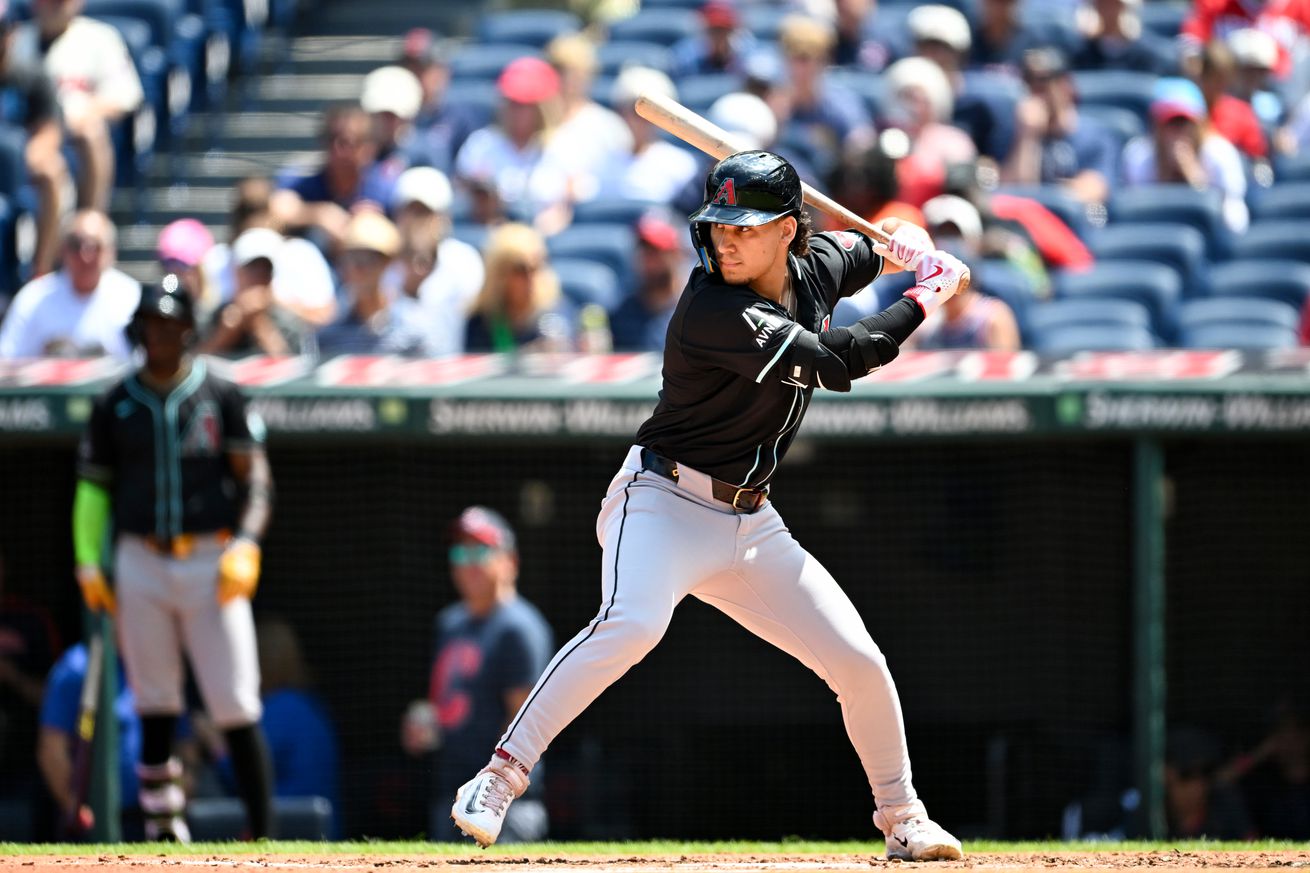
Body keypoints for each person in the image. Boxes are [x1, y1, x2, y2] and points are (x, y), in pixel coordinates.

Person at [449, 150, 969, 861]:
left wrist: (901, 240)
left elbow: (865, 248)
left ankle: (904, 817)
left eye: (745, 228)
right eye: (719, 225)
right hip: (661, 499)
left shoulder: (816, 263)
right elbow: (837, 360)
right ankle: (500, 775)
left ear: (789, 231)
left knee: (858, 660)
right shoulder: (713, 308)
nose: (725, 240)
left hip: (750, 522)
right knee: (632, 623)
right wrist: (923, 298)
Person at [72, 275, 276, 841]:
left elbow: (255, 478)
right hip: (140, 559)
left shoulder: (221, 393)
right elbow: (93, 490)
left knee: (235, 702)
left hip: (212, 559)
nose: (157, 335)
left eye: (168, 324)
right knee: (155, 702)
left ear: (188, 329)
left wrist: (248, 543)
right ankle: (164, 831)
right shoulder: (115, 402)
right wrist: (89, 561)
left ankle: (264, 837)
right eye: (148, 325)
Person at [402, 507, 553, 842]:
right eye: (459, 552)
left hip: (503, 806)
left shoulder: (520, 628)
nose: (466, 562)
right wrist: (427, 721)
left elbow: (525, 723)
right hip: (450, 797)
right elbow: (446, 703)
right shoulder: (449, 623)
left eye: (480, 550)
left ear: (509, 561)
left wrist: (491, 784)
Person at [18, 0, 143, 212]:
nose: (53, 5)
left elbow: (126, 96)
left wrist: (81, 112)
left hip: (73, 134)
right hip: (26, 132)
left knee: (91, 132)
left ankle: (89, 221)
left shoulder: (100, 37)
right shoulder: (16, 39)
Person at [0, 210, 140, 359]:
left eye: (95, 246)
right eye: (76, 245)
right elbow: (7, 359)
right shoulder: (33, 298)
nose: (85, 256)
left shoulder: (131, 297)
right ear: (62, 249)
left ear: (111, 252)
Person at [204, 176, 338, 329]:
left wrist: (273, 302)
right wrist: (238, 315)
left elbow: (325, 316)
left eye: (260, 210)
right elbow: (204, 324)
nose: (253, 219)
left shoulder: (301, 254)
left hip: (294, 350)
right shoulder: (217, 259)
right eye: (246, 211)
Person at [1120, 76, 1249, 233]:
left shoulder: (1220, 155)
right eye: (1171, 123)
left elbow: (1236, 225)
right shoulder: (1138, 157)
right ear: (1156, 127)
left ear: (1200, 125)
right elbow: (1137, 220)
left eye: (1185, 123)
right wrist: (1163, 176)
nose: (1179, 132)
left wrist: (1196, 181)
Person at [382, 166, 485, 356]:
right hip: (391, 377)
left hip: (448, 375)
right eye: (409, 211)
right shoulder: (381, 259)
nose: (415, 221)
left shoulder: (463, 261)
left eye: (423, 212)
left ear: (443, 217)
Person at [0, 1, 70, 277]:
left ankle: (42, 265)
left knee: (52, 171)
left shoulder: (33, 75)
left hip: (20, 168)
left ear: (12, 32)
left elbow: (49, 133)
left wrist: (19, 157)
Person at [254, 617, 341, 838]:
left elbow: (241, 774)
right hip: (327, 829)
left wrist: (215, 745)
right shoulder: (311, 704)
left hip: (290, 825)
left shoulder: (281, 707)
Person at [1001, 47, 1117, 206]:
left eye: (1043, 83)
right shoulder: (1014, 132)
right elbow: (1013, 196)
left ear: (1066, 85)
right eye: (1029, 83)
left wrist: (1048, 195)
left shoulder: (1094, 136)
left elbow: (1093, 191)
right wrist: (1027, 138)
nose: (1036, 93)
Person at [905, 195, 1021, 350]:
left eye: (955, 235)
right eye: (940, 235)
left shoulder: (993, 318)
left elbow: (1005, 369)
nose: (947, 245)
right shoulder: (926, 324)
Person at [316, 211, 434, 357]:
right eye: (348, 259)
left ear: (386, 263)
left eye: (365, 260)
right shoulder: (330, 335)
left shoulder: (412, 328)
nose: (355, 269)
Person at [198, 228, 313, 358]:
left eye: (265, 270)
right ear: (237, 272)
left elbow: (293, 368)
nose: (259, 277)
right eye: (252, 269)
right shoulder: (216, 314)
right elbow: (198, 362)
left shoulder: (288, 318)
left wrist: (259, 324)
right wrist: (227, 332)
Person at [463, 223, 575, 353]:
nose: (530, 278)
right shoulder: (481, 323)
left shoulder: (556, 312)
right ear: (500, 274)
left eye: (536, 267)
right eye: (520, 270)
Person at [608, 211, 689, 352]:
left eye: (655, 252)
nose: (648, 261)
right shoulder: (623, 314)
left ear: (676, 255)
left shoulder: (696, 310)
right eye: (643, 251)